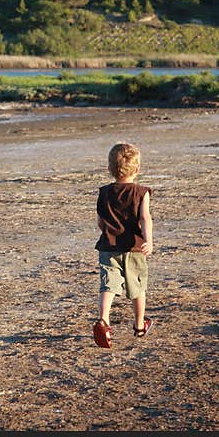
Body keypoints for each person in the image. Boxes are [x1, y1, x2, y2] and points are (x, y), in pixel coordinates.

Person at [93, 143, 154, 349]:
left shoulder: (104, 193)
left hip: (108, 247)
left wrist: (107, 229)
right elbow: (145, 218)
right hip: (134, 247)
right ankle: (139, 325)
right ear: (137, 169)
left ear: (110, 169)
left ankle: (104, 320)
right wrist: (148, 240)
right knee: (137, 288)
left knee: (108, 285)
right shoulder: (141, 192)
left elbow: (101, 221)